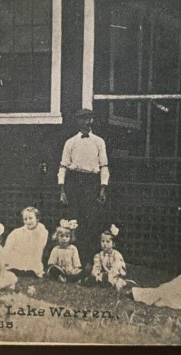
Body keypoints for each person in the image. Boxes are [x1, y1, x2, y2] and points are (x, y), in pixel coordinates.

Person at [58, 108, 109, 262]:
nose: (86, 122)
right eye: (82, 119)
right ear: (78, 122)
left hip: (91, 183)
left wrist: (103, 188)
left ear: (92, 121)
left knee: (91, 220)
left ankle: (90, 260)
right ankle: (75, 259)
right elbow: (63, 166)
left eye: (89, 119)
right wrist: (62, 190)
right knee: (74, 219)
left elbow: (104, 166)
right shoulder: (70, 142)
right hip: (74, 182)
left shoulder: (99, 142)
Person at [3, 206, 49, 277]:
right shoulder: (17, 232)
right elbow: (8, 248)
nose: (28, 221)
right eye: (25, 219)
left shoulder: (42, 232)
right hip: (19, 254)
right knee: (14, 261)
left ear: (37, 219)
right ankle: (17, 269)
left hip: (32, 256)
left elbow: (39, 250)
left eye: (30, 218)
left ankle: (28, 270)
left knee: (32, 265)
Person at [89, 224, 129, 291]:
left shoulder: (116, 255)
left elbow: (116, 268)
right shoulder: (99, 255)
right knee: (98, 276)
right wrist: (96, 274)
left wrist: (109, 276)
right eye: (102, 241)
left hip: (117, 274)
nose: (104, 244)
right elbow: (97, 266)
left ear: (113, 244)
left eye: (108, 242)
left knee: (118, 282)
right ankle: (98, 281)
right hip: (106, 274)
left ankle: (109, 282)